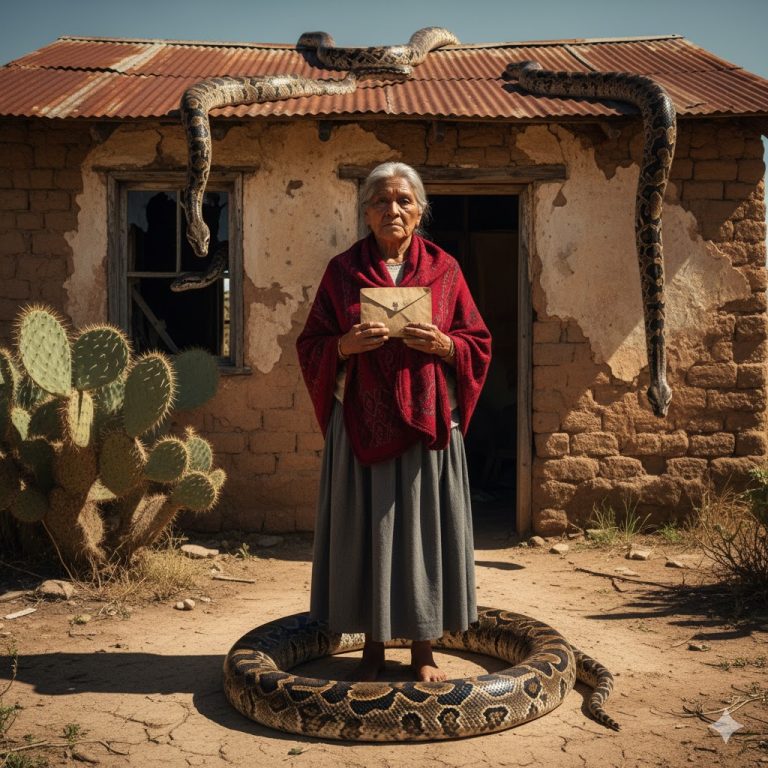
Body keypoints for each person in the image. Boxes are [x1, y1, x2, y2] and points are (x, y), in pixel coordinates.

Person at [296, 161, 491, 683]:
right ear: (365, 213)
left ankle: (425, 649)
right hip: (361, 424)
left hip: (428, 426)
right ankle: (372, 647)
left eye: (404, 200)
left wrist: (448, 345)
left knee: (425, 535)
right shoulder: (341, 272)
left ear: (421, 211)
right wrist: (344, 345)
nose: (393, 210)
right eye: (381, 201)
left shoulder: (445, 270)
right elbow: (310, 343)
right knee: (371, 534)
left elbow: (479, 340)